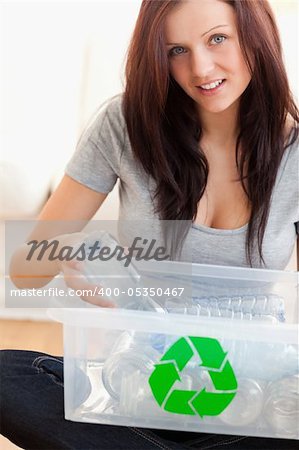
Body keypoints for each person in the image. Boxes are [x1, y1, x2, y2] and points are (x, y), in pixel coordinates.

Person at [1, 0, 298, 448]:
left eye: (218, 38)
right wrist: (72, 249)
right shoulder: (125, 125)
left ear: (256, 36)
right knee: (9, 378)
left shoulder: (294, 150)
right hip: (140, 378)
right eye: (176, 50)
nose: (200, 68)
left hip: (249, 398)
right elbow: (24, 272)